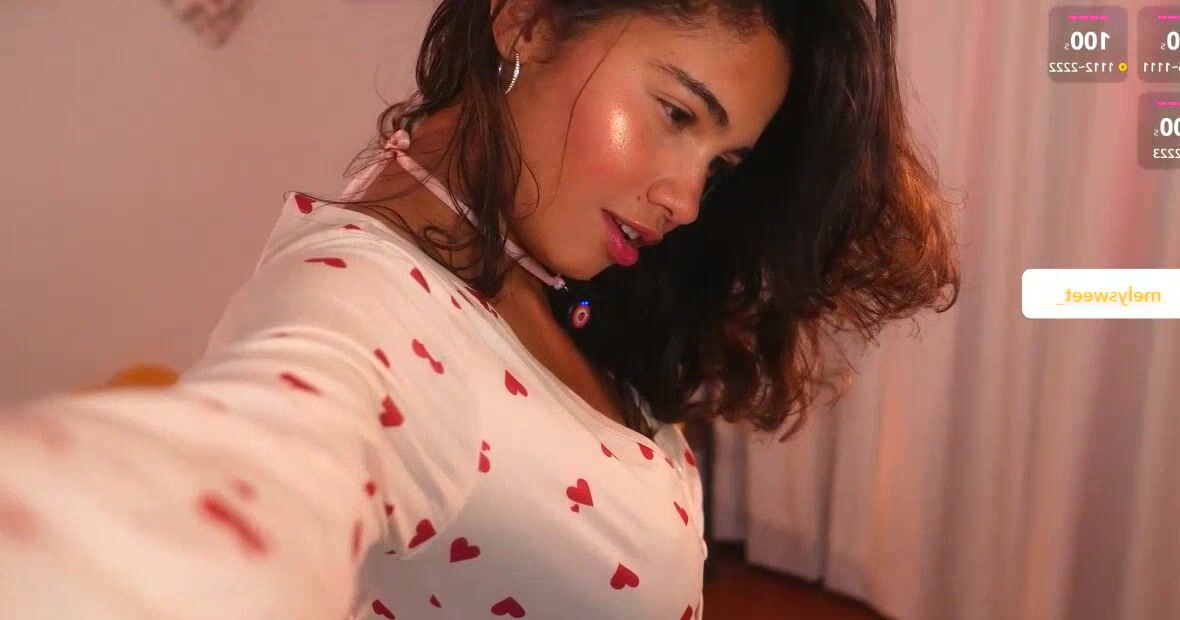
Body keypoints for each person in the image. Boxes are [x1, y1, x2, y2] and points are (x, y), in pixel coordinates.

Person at [0, 0, 960, 617]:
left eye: (721, 164)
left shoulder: (538, 271)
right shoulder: (364, 296)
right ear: (526, 22)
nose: (686, 200)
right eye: (676, 115)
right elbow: (267, 454)